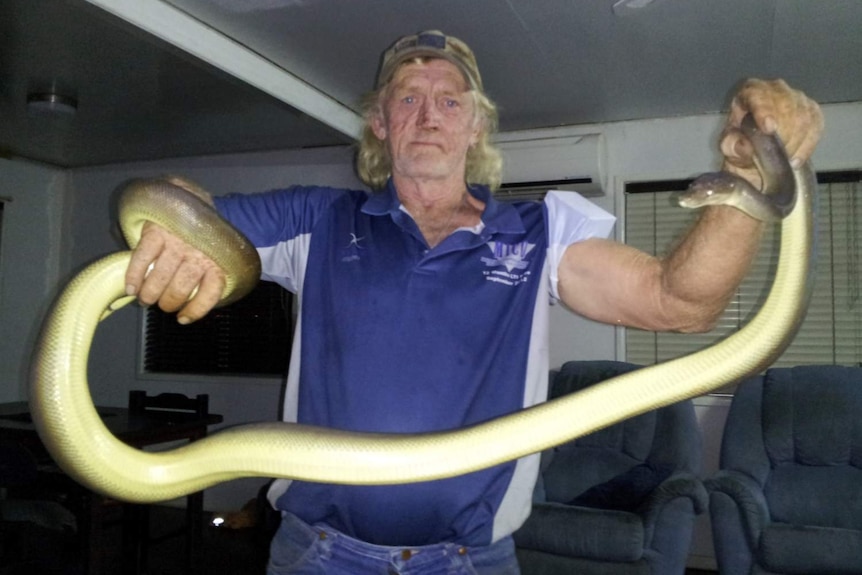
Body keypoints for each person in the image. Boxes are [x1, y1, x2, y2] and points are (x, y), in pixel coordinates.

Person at [124, 30, 823, 575]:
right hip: (319, 554)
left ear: (476, 126)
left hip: (468, 560)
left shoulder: (543, 229)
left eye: (450, 99)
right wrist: (176, 220)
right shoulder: (319, 218)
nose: (428, 114)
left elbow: (679, 302)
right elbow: (192, 214)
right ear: (380, 123)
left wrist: (744, 174)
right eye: (407, 97)